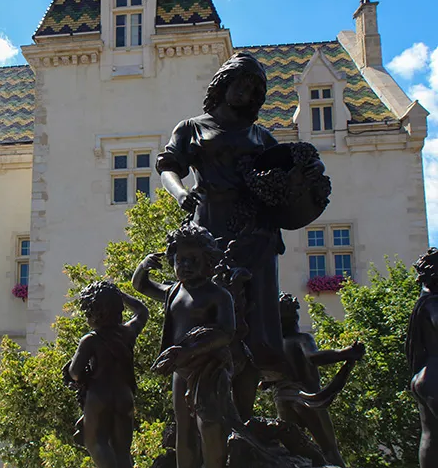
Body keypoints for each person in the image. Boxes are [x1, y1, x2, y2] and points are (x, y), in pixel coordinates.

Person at [156, 51, 306, 420]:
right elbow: (168, 166)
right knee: (212, 318)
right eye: (243, 83)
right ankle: (204, 410)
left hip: (257, 233)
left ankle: (243, 416)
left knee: (255, 325)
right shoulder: (191, 127)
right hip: (209, 227)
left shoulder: (262, 136)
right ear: (223, 84)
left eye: (256, 88)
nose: (249, 92)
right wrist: (180, 193)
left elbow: (287, 186)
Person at [132, 223, 237, 468]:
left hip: (207, 367)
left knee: (209, 425)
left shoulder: (218, 295)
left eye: (193, 260)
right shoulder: (173, 291)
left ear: (208, 261)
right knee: (184, 427)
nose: (185, 266)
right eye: (180, 260)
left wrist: (190, 350)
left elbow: (226, 333)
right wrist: (143, 265)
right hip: (180, 370)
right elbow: (141, 286)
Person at [64, 281, 149, 468]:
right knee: (122, 450)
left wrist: (77, 374)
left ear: (94, 313)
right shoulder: (128, 333)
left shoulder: (90, 340)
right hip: (124, 394)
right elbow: (142, 312)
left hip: (99, 394)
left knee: (95, 442)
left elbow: (75, 372)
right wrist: (122, 295)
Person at [274, 293, 364, 467]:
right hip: (307, 398)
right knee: (329, 449)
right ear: (295, 316)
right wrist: (346, 353)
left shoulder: (277, 344)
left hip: (283, 398)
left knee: (293, 451)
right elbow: (313, 357)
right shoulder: (302, 339)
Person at [407, 248, 438, 468]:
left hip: (424, 375)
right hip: (435, 373)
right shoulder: (433, 302)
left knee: (431, 435)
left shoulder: (423, 302)